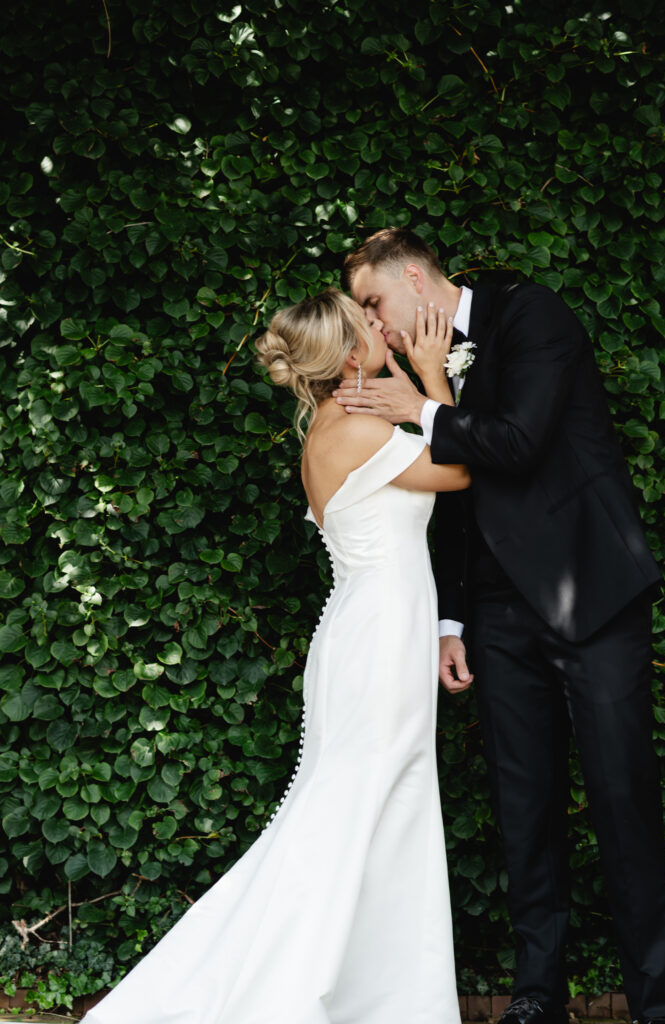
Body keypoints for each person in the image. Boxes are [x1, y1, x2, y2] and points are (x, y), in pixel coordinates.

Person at [80, 287, 470, 1024]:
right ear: (353, 354)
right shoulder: (353, 430)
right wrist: (430, 375)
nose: (380, 327)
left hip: (374, 629)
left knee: (383, 806)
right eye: (367, 325)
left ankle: (381, 998)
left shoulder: (337, 423)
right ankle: (297, 991)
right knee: (352, 807)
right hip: (379, 637)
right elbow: (459, 470)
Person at [336, 227, 665, 1024]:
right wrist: (451, 618)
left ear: (417, 279)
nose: (374, 325)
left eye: (374, 303)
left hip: (589, 597)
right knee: (522, 807)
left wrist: (423, 403)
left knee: (621, 800)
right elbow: (449, 494)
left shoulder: (532, 318)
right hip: (494, 615)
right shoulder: (410, 368)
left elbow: (519, 445)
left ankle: (655, 1003)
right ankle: (535, 997)